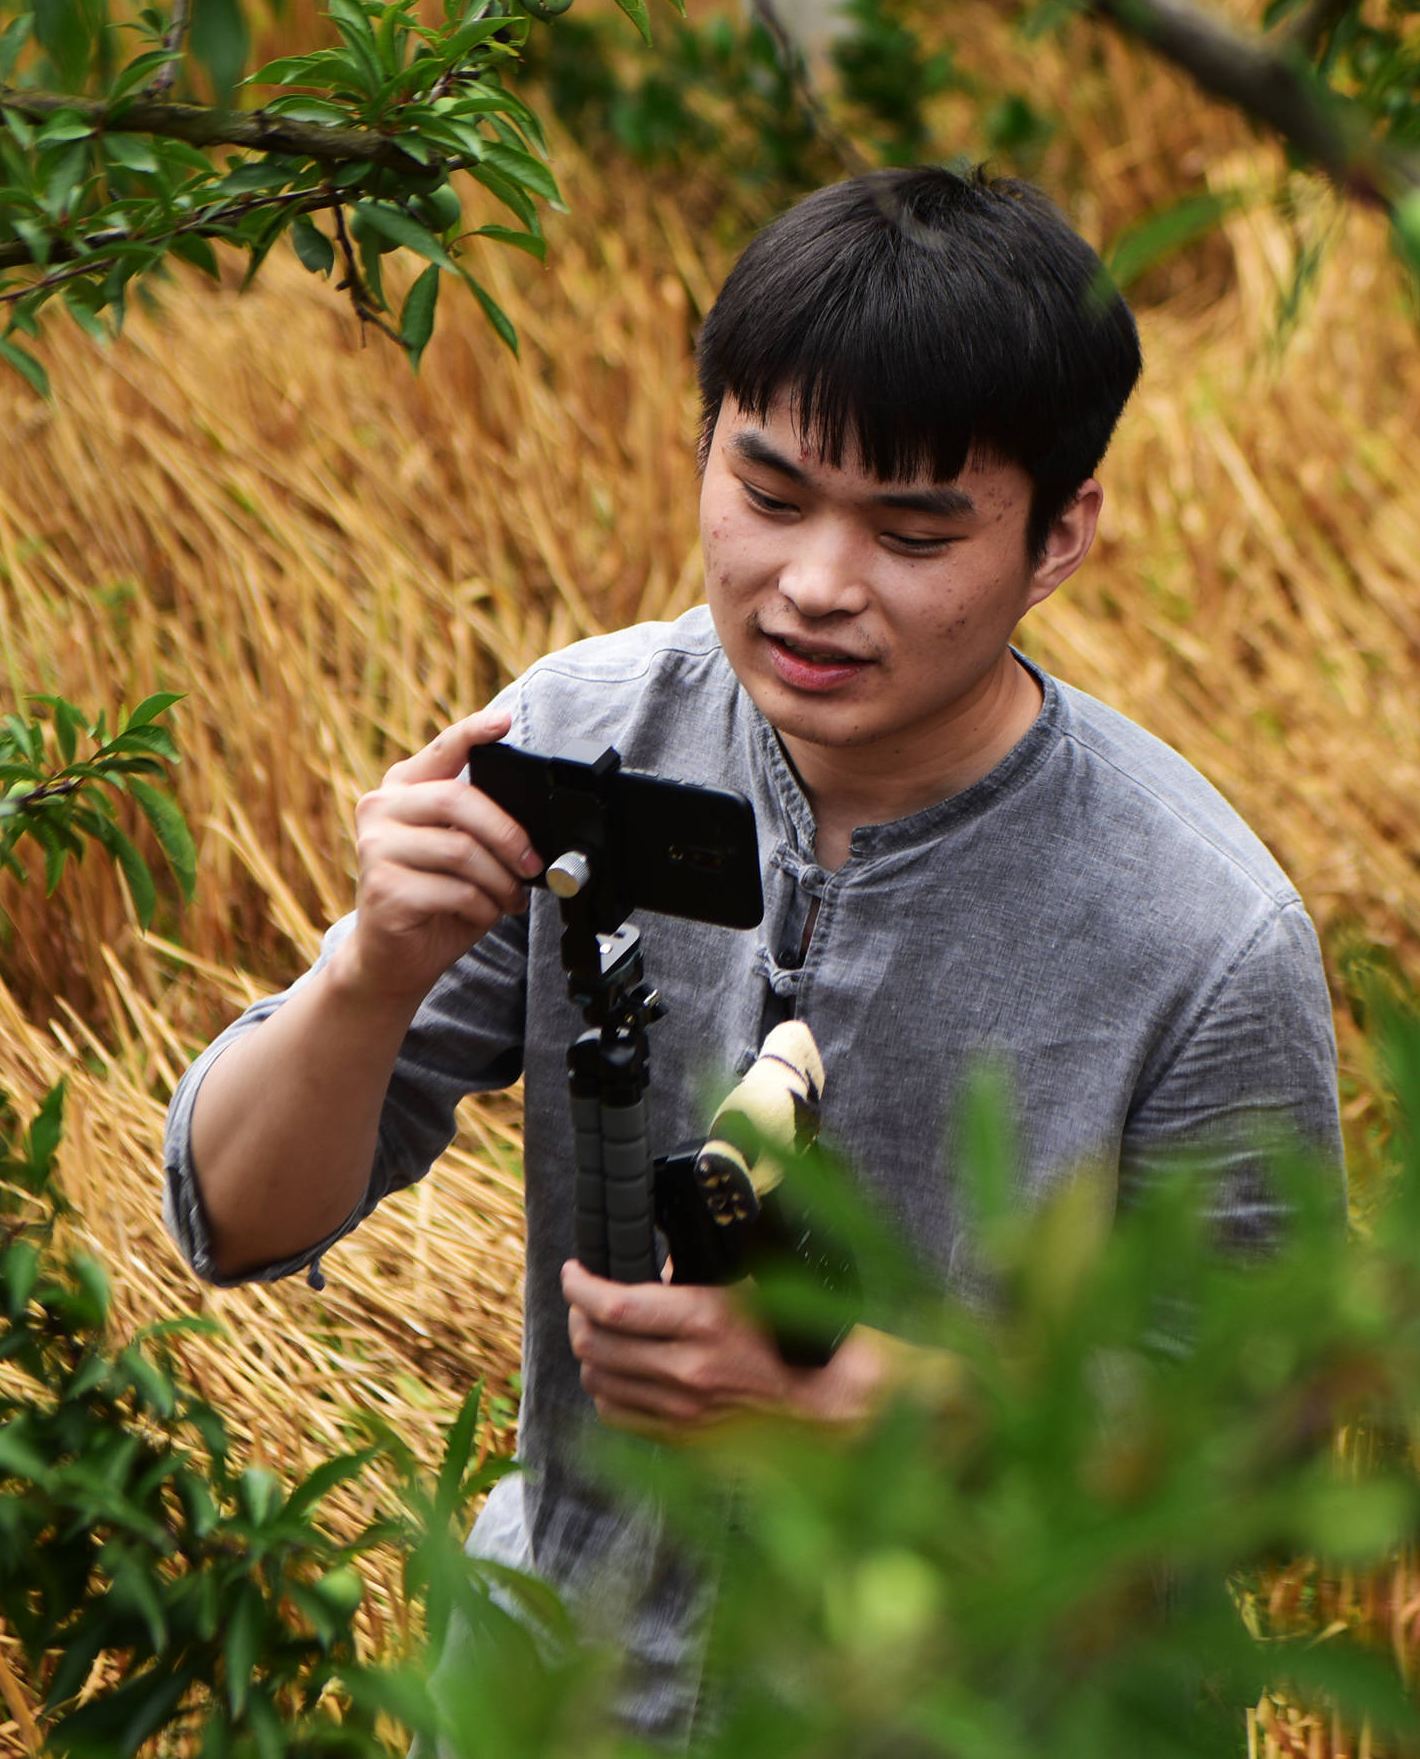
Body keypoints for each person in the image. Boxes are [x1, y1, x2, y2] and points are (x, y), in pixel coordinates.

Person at [162, 164, 1344, 1733]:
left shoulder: (1200, 935)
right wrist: (368, 973)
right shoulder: (583, 740)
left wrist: (873, 1407)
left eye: (913, 532)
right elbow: (231, 1222)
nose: (815, 586)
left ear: (1059, 539)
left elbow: (1261, 1467)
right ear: (703, 445)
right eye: (769, 495)